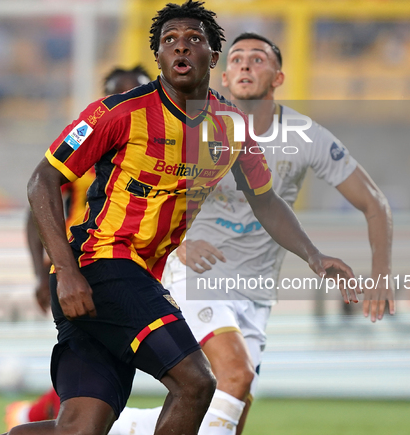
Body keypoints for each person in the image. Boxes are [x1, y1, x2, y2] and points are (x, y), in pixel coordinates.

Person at [4, 0, 356, 435]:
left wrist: (314, 255)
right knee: (195, 382)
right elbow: (42, 181)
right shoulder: (118, 112)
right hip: (101, 266)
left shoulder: (230, 126)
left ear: (213, 55)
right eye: (169, 40)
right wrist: (65, 272)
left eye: (194, 39)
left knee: (81, 429)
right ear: (159, 56)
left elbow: (266, 201)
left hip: (134, 277)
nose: (181, 48)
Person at [108, 32, 394, 435]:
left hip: (256, 292)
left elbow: (375, 204)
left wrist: (380, 274)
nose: (245, 65)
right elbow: (143, 195)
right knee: (236, 378)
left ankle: (113, 427)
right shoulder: (193, 127)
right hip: (195, 278)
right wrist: (179, 245)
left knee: (227, 413)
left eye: (258, 59)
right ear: (224, 78)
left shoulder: (307, 136)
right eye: (237, 58)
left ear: (278, 77)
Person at [5, 66, 151, 431]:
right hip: (84, 268)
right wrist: (46, 274)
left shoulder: (156, 147)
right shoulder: (84, 141)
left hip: (138, 270)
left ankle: (32, 416)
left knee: (96, 395)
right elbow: (38, 198)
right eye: (117, 93)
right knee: (188, 376)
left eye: (135, 92)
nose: (125, 101)